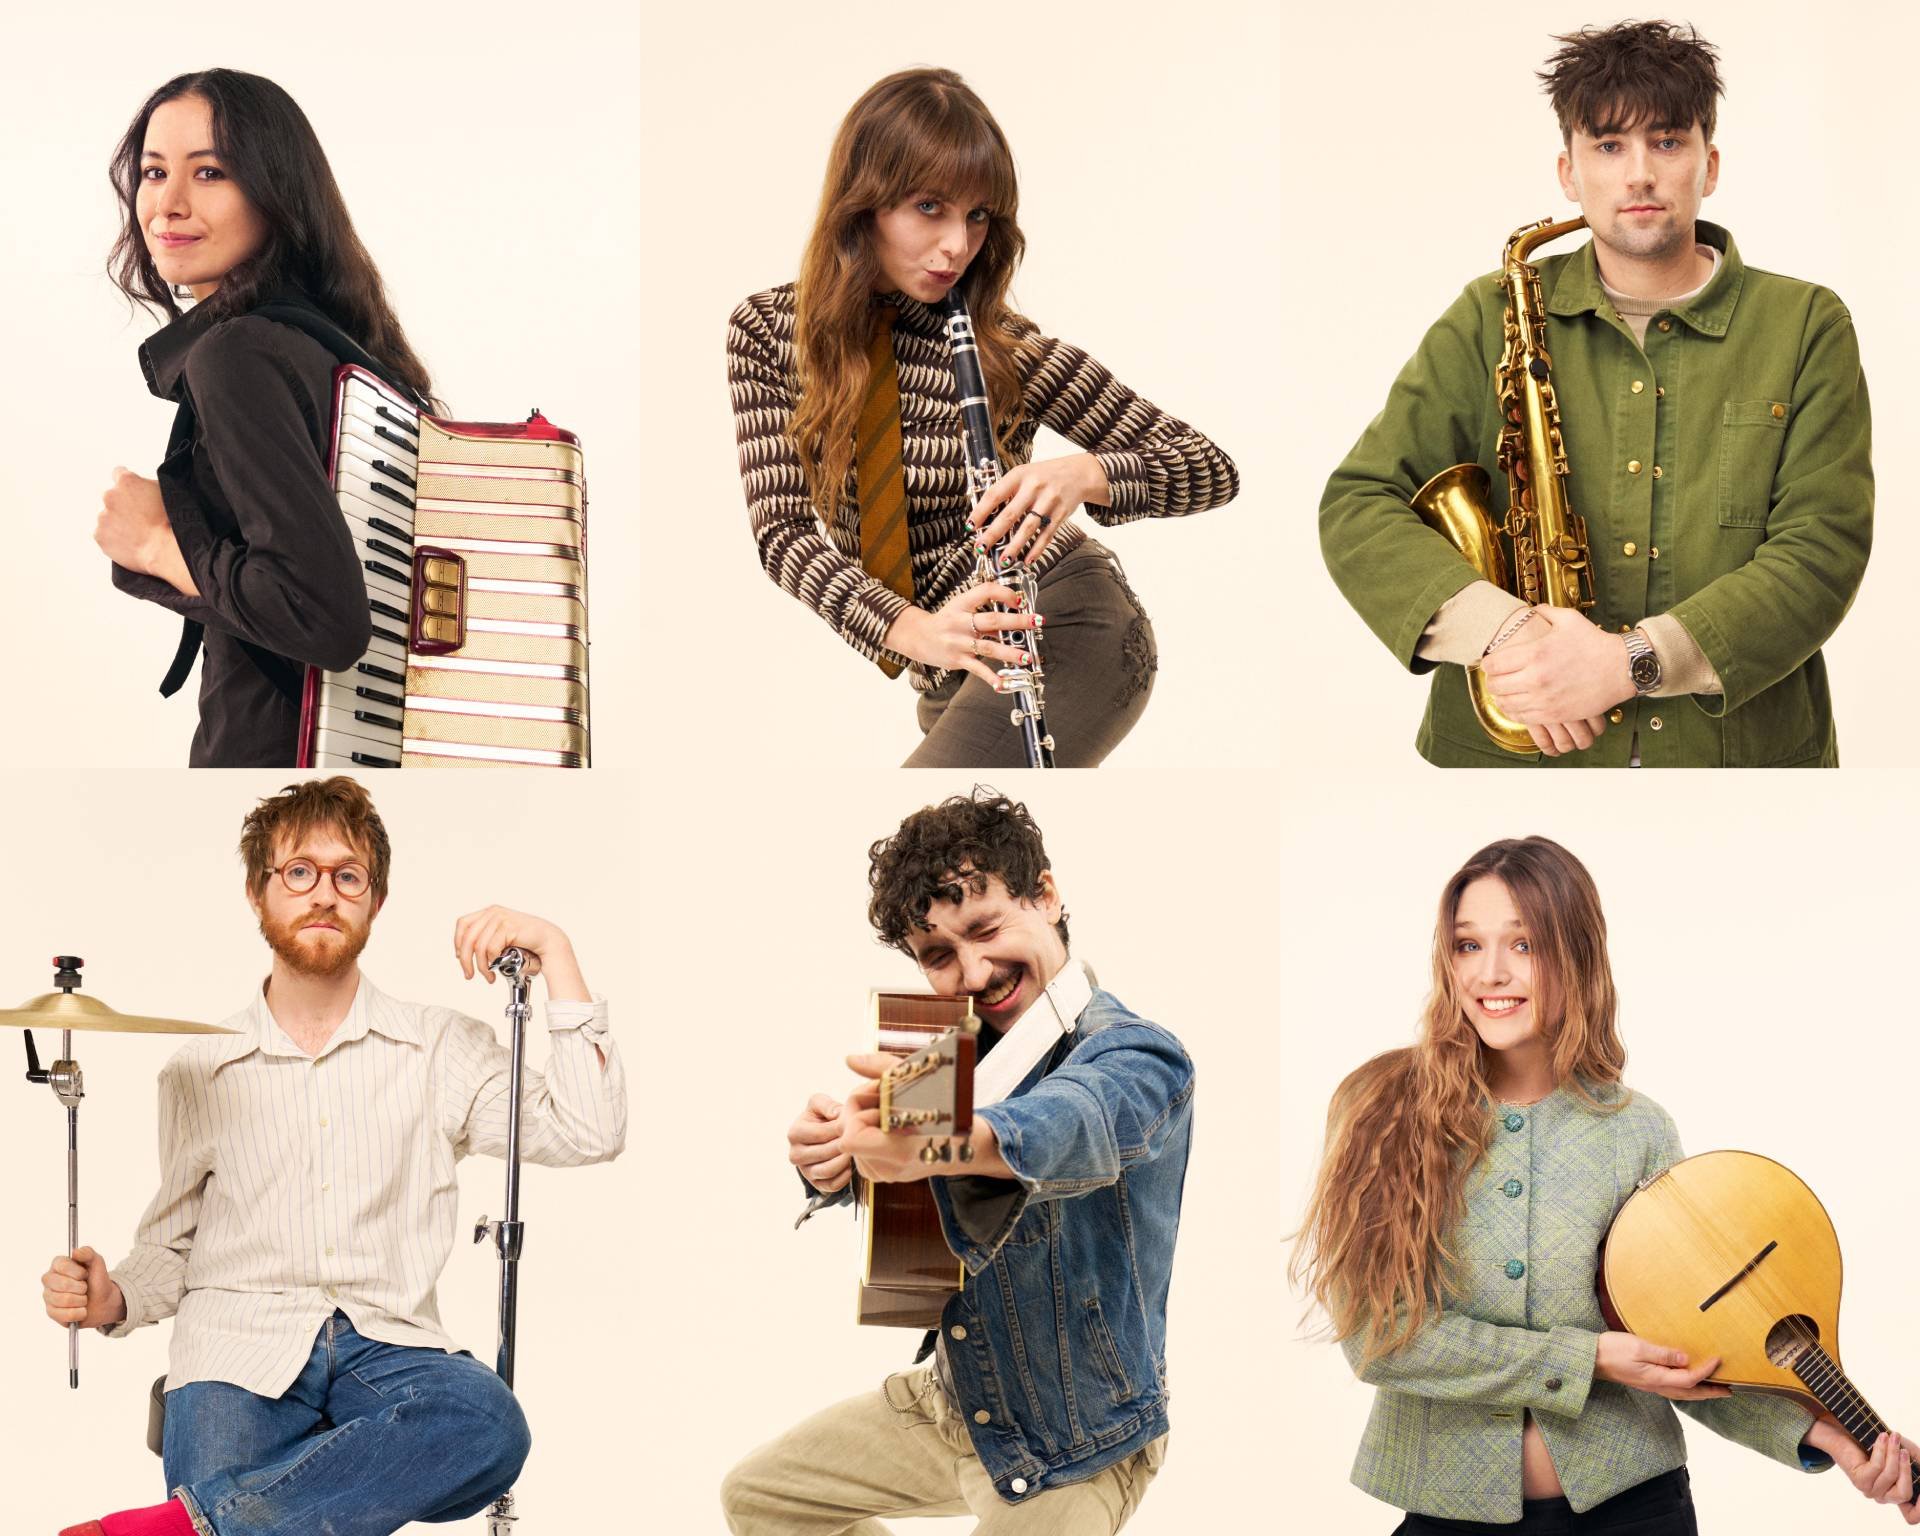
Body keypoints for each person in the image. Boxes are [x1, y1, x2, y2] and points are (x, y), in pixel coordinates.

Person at [40, 776, 626, 1536]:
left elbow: (590, 1129)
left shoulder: (441, 1047)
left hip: (391, 1345)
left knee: (490, 1423)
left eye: (348, 876)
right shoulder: (197, 1069)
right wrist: (112, 1297)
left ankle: (190, 1527)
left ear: (375, 901)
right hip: (235, 1347)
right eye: (299, 873)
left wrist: (557, 950)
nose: (325, 894)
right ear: (259, 893)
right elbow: (172, 1246)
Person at [1291, 836, 1915, 1531]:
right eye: (1468, 946)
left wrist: (1819, 1433)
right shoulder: (1383, 1105)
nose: (1491, 973)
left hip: (1639, 1510)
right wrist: (1586, 1358)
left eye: (1523, 945)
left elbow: (1685, 1348)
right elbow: (1379, 1335)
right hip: (1448, 1514)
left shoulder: (1637, 1130)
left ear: (1577, 955)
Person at [1320, 21, 1872, 767]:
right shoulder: (1490, 313)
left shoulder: (1807, 324)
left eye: (1667, 142)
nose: (1638, 174)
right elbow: (1358, 504)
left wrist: (1627, 662)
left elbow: (1822, 549)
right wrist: (1506, 633)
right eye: (1608, 146)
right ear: (1568, 173)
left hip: (1739, 763)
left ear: (1709, 166)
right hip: (1511, 759)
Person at [727, 67, 1238, 768]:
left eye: (977, 217)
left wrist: (1086, 473)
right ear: (863, 202)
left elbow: (1212, 468)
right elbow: (782, 532)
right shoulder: (768, 330)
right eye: (929, 207)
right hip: (950, 663)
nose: (956, 246)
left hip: (1066, 620)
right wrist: (909, 630)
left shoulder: (1003, 345)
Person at [720, 791, 1192, 1532]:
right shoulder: (943, 1047)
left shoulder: (1137, 1053)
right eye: (939, 955)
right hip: (955, 1398)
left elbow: (1070, 1123)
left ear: (1046, 896)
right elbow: (908, 1191)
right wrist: (834, 1162)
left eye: (985, 928)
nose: (973, 971)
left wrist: (937, 1140)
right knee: (761, 1497)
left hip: (1077, 1438)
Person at [97, 69, 436, 766]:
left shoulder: (238, 353)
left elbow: (324, 616)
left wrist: (161, 545)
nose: (169, 204)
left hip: (265, 758)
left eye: (211, 171)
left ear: (276, 194)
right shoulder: (335, 347)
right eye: (155, 172)